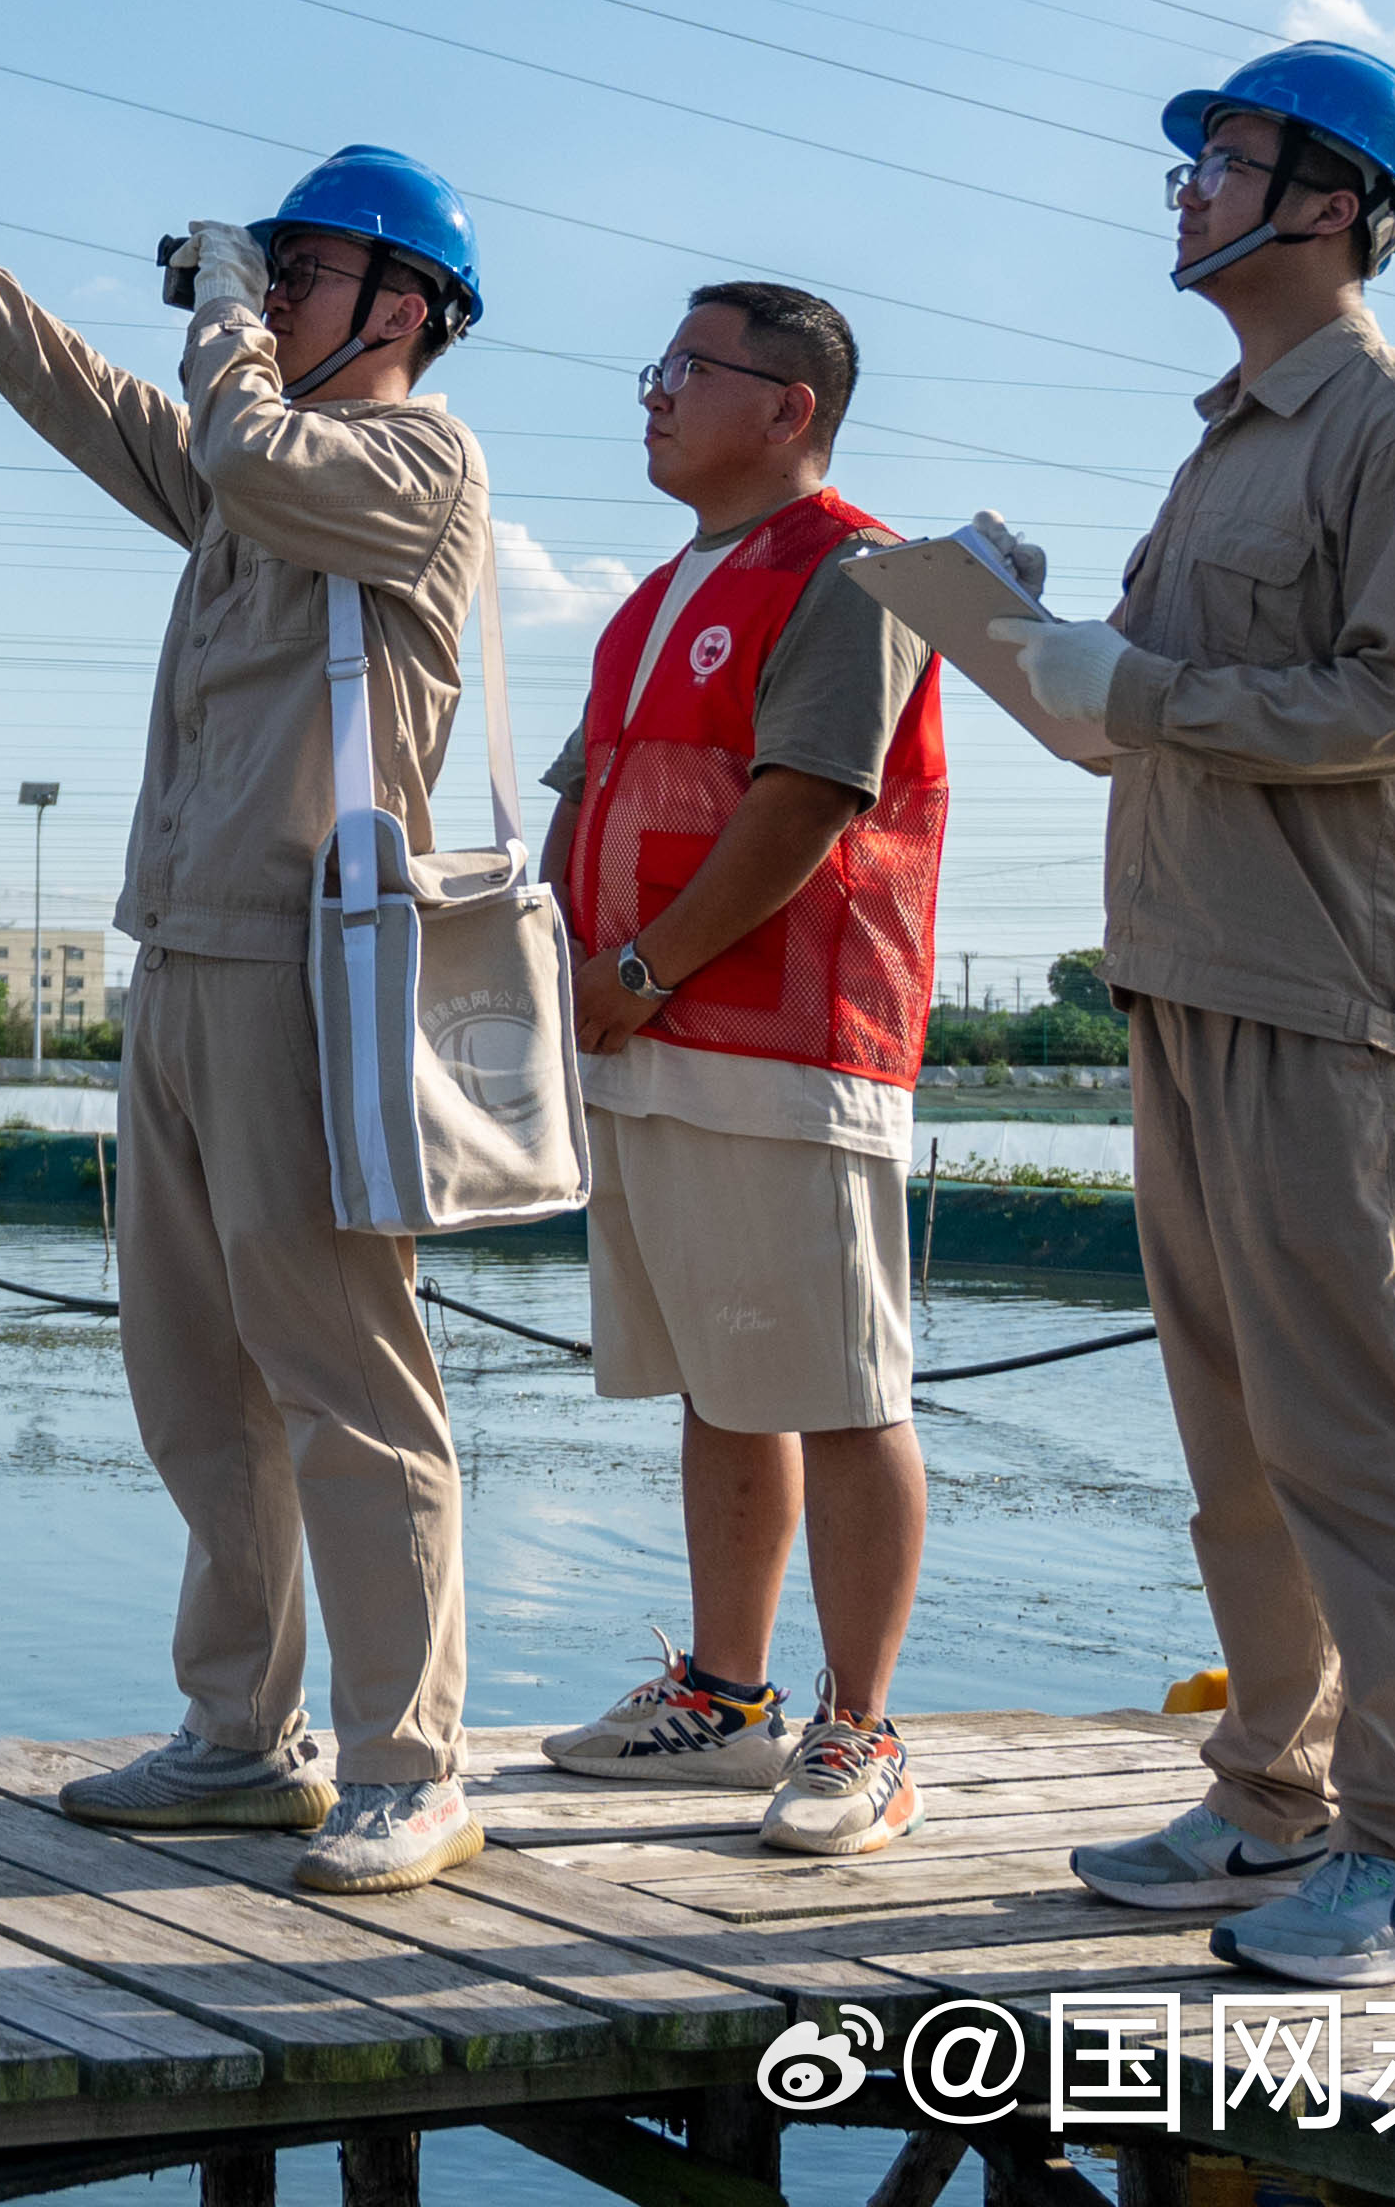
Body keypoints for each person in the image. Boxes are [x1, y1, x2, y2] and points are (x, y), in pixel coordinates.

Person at [0, 139, 499, 1894]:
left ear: (402, 307)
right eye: (254, 273)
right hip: (182, 954)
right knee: (195, 1380)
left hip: (307, 959)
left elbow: (239, 435)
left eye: (301, 273)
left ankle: (415, 1762)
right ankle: (244, 1741)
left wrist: (235, 332)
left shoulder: (410, 459)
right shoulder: (251, 483)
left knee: (346, 1371)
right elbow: (98, 404)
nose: (254, 298)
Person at [1017, 43, 1395, 1990]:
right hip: (1190, 972)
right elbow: (1145, 715)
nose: (1183, 189)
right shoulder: (1224, 436)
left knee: (1379, 1434)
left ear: (1331, 198)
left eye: (1219, 159)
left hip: (1334, 995)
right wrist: (1038, 639)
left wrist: (1132, 686)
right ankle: (1274, 1795)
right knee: (1239, 1433)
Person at [524, 281, 951, 1861]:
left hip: (790, 1044)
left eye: (688, 369)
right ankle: (725, 1699)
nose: (654, 393)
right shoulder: (650, 597)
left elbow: (804, 806)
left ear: (789, 408)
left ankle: (863, 1726)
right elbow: (585, 804)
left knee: (842, 1387)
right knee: (724, 1375)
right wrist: (559, 976)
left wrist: (638, 969)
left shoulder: (856, 570)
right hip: (647, 1042)